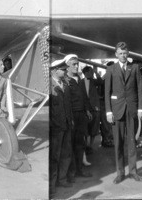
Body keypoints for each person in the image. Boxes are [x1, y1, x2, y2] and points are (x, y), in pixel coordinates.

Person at [104, 42, 142, 184]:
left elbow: (140, 89)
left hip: (132, 110)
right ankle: (120, 173)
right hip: (117, 110)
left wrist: (141, 109)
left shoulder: (134, 68)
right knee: (118, 143)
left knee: (132, 142)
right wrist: (108, 112)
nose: (123, 55)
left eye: (125, 53)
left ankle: (133, 171)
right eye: (120, 53)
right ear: (116, 54)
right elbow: (107, 92)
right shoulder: (110, 69)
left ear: (128, 54)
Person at [63, 54, 93, 182]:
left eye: (77, 64)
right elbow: (67, 102)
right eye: (74, 64)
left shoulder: (79, 78)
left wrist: (87, 110)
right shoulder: (66, 81)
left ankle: (79, 170)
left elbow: (84, 97)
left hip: (81, 115)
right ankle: (71, 174)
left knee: (80, 144)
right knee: (71, 146)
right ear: (67, 66)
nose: (76, 66)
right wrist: (71, 119)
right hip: (73, 116)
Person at [49, 59, 74, 196]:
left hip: (66, 125)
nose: (65, 71)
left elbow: (68, 105)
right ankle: (51, 187)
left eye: (65, 69)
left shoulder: (65, 85)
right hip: (56, 128)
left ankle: (62, 179)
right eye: (62, 69)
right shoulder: (49, 87)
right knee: (54, 157)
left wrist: (71, 121)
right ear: (54, 70)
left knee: (66, 154)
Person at [81, 66, 102, 154]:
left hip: (95, 108)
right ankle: (86, 145)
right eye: (91, 72)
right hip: (85, 108)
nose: (92, 73)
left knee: (94, 127)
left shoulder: (94, 81)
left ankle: (90, 145)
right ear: (86, 73)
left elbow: (101, 82)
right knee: (85, 127)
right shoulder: (80, 82)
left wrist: (97, 73)